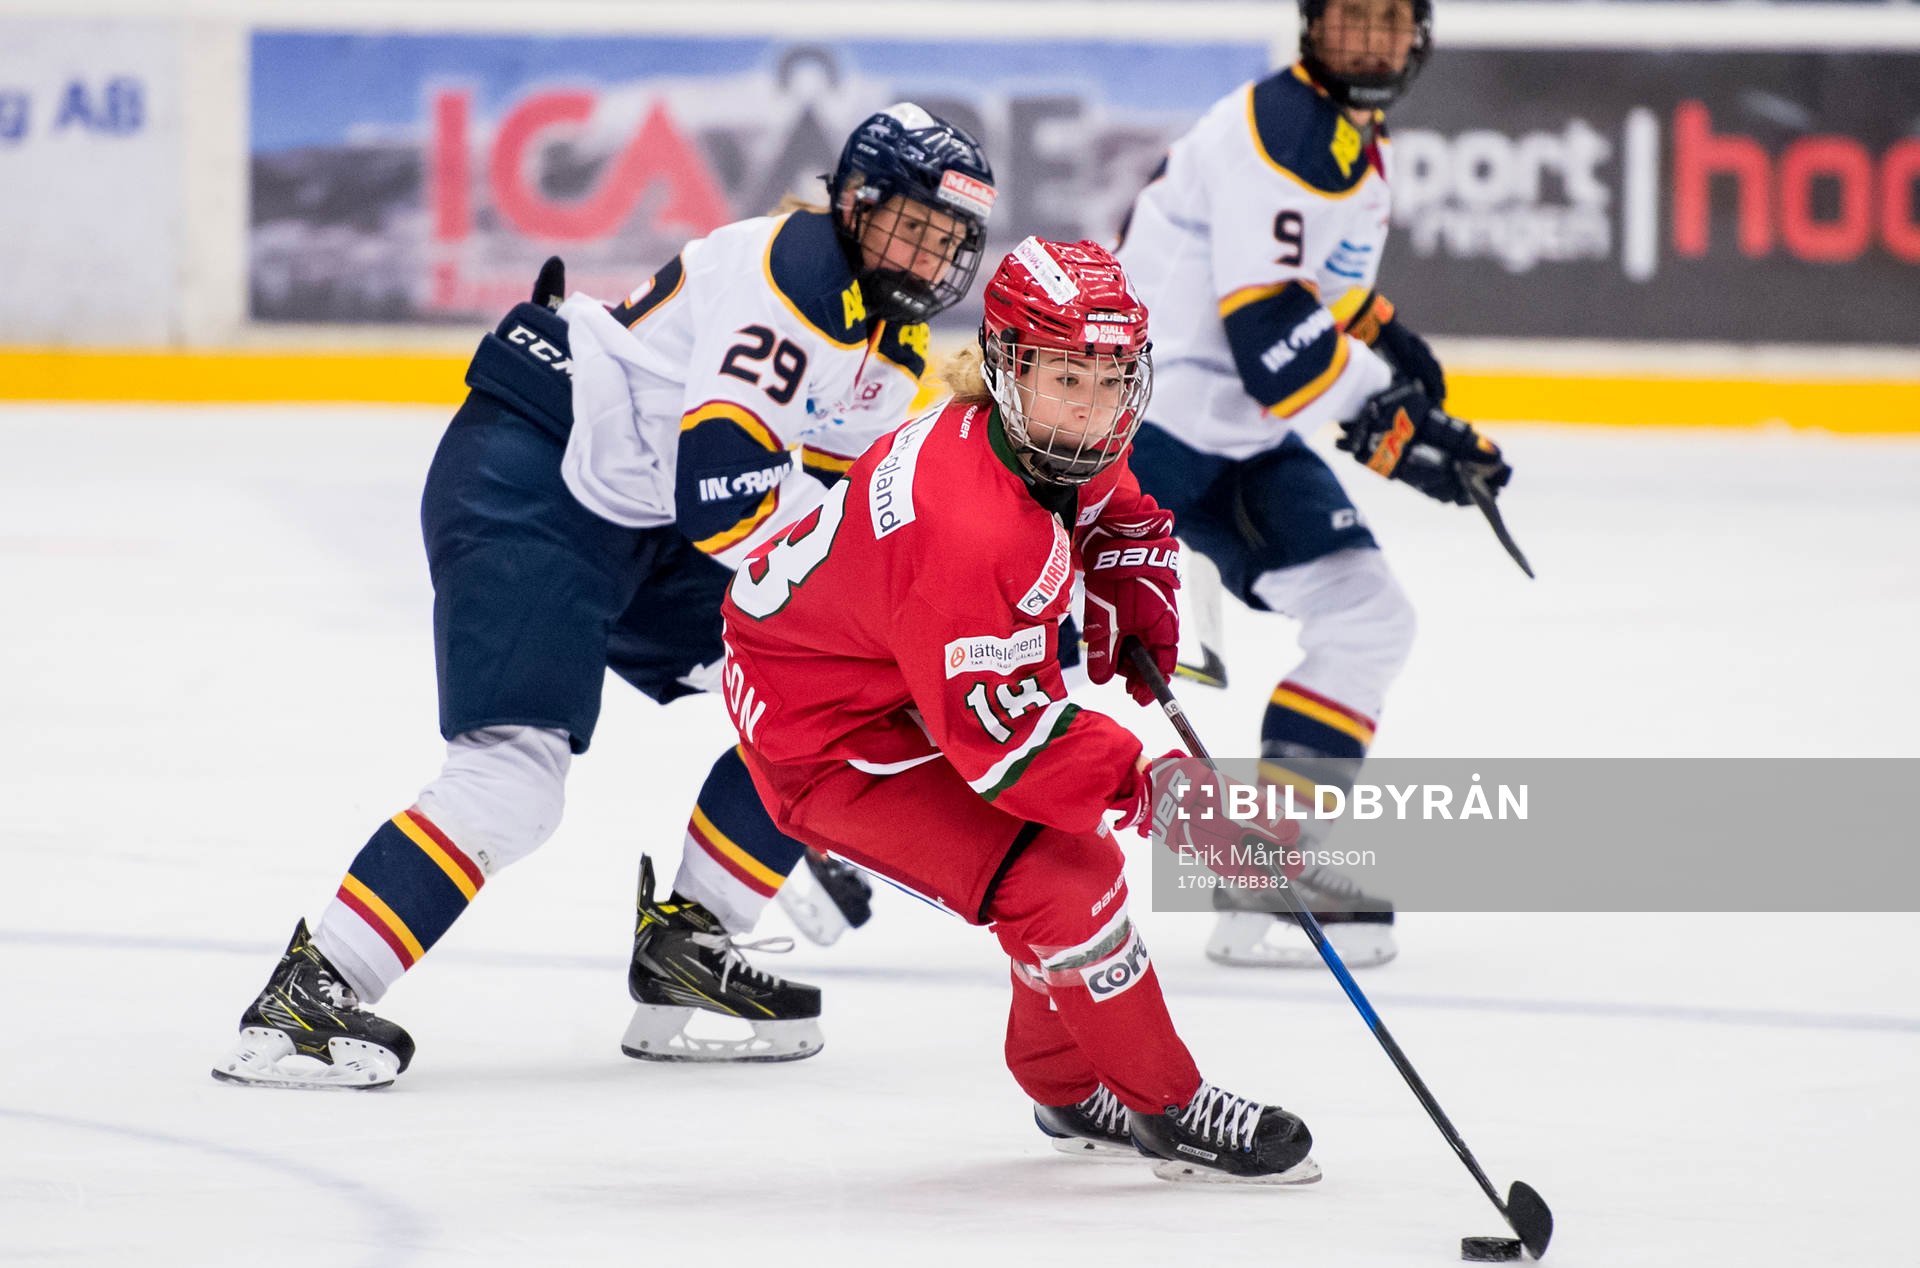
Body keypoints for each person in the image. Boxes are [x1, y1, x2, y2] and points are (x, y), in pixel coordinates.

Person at [211, 104, 995, 1089]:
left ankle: (690, 946)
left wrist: (873, 680)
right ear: (856, 203)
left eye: (946, 239)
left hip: (637, 516)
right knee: (512, 781)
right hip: (533, 480)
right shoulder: (793, 276)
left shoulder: (891, 343)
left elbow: (827, 530)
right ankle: (309, 996)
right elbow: (726, 498)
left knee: (836, 696)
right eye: (911, 226)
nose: (926, 256)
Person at [716, 236, 1320, 1183]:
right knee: (1065, 878)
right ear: (1007, 366)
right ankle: (1168, 1110)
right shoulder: (967, 529)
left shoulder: (1028, 438)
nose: (1092, 406)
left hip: (880, 674)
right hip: (829, 739)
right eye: (1068, 378)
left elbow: (1109, 504)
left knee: (1063, 861)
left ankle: (1065, 1084)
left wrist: (1129, 573)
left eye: (1112, 379)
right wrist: (1160, 791)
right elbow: (1009, 748)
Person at [1114, 0, 1512, 969]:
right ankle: (823, 819)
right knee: (1020, 650)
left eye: (1388, 20)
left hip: (1237, 439)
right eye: (1350, 18)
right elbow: (1271, 344)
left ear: (1418, 35)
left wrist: (1381, 333)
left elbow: (1312, 283)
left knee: (1367, 614)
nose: (1369, 40)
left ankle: (1269, 862)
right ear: (1309, 27)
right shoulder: (1281, 131)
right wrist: (1400, 426)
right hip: (1139, 434)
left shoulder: (1346, 135)